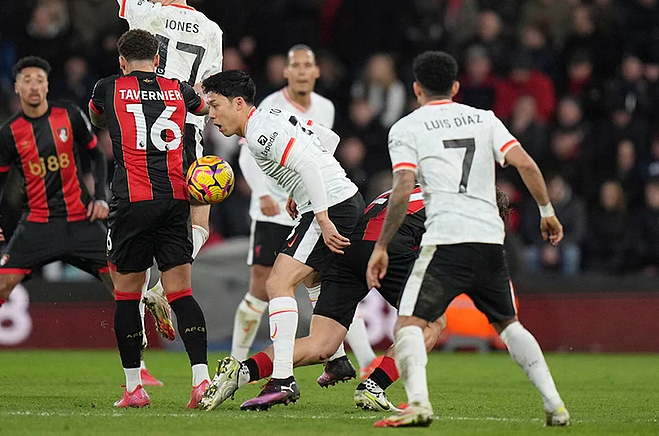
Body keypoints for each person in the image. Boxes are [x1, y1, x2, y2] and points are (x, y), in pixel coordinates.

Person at [367, 51, 569, 427]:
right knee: (509, 326)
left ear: (416, 88)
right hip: (490, 239)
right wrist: (547, 212)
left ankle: (419, 405)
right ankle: (555, 404)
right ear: (456, 86)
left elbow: (402, 188)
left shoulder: (407, 128)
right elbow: (525, 163)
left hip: (445, 239)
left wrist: (381, 247)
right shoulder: (485, 119)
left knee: (409, 325)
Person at [0, 56, 112, 386]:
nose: (33, 85)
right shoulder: (8, 134)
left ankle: (140, 367)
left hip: (81, 220)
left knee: (122, 286)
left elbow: (96, 156)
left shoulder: (69, 114)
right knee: (0, 285)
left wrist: (100, 197)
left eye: (39, 79)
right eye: (26, 80)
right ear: (17, 87)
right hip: (38, 224)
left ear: (47, 85)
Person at [202, 184, 444, 412]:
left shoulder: (409, 187)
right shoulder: (455, 198)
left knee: (322, 345)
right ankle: (374, 386)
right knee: (433, 322)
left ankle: (241, 372)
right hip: (387, 248)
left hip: (350, 248)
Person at [202, 70, 363, 410]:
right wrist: (299, 192)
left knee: (277, 283)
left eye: (215, 105)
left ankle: (283, 379)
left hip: (332, 207)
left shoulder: (260, 132)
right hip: (339, 200)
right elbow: (328, 142)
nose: (211, 114)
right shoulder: (272, 116)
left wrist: (320, 214)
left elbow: (306, 163)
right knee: (311, 278)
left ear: (239, 103)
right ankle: (336, 359)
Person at [232, 43, 377, 384]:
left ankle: (278, 374)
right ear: (286, 72)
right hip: (275, 211)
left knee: (285, 283)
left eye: (305, 65)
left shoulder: (322, 106)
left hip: (316, 207)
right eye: (293, 65)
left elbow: (323, 143)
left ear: (316, 72)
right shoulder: (269, 106)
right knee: (270, 287)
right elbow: (247, 157)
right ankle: (241, 358)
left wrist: (310, 192)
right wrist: (268, 193)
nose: (299, 71)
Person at [108, 0, 223, 334]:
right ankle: (160, 290)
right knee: (198, 221)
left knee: (134, 241)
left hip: (138, 133)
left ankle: (135, 345)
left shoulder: (146, 14)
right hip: (185, 134)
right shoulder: (211, 30)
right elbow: (209, 93)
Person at [88, 29, 211, 409]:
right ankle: (201, 381)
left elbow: (97, 121)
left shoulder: (107, 87)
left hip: (131, 203)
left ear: (122, 61)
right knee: (181, 293)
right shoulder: (178, 86)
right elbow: (203, 108)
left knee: (127, 296)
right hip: (175, 200)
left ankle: (133, 388)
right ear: (158, 60)